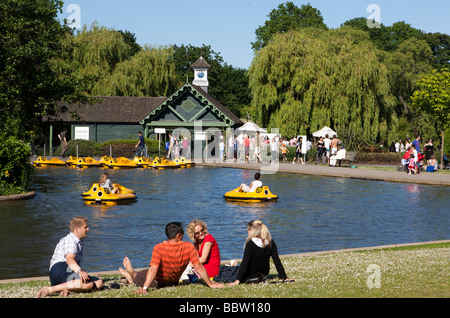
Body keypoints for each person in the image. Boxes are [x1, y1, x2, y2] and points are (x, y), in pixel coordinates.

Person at [118, 222, 224, 293]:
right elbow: (199, 267)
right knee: (145, 273)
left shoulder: (159, 248)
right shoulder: (188, 247)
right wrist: (210, 284)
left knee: (139, 276)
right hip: (173, 282)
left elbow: (153, 269)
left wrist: (144, 288)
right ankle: (131, 274)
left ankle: (130, 275)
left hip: (158, 282)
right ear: (179, 235)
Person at [37, 217, 103, 297]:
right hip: (60, 268)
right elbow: (69, 259)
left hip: (68, 270)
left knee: (99, 283)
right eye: (85, 227)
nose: (88, 229)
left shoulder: (77, 241)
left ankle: (66, 289)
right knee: (87, 285)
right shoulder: (71, 240)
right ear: (77, 229)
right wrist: (80, 272)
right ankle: (49, 289)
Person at [227, 220, 294, 286]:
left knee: (226, 269)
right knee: (237, 267)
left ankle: (234, 264)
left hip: (250, 274)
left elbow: (245, 263)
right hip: (264, 275)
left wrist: (237, 281)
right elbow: (277, 261)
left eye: (248, 230)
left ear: (253, 231)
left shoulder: (250, 243)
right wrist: (285, 278)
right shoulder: (270, 242)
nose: (247, 232)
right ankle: (234, 264)